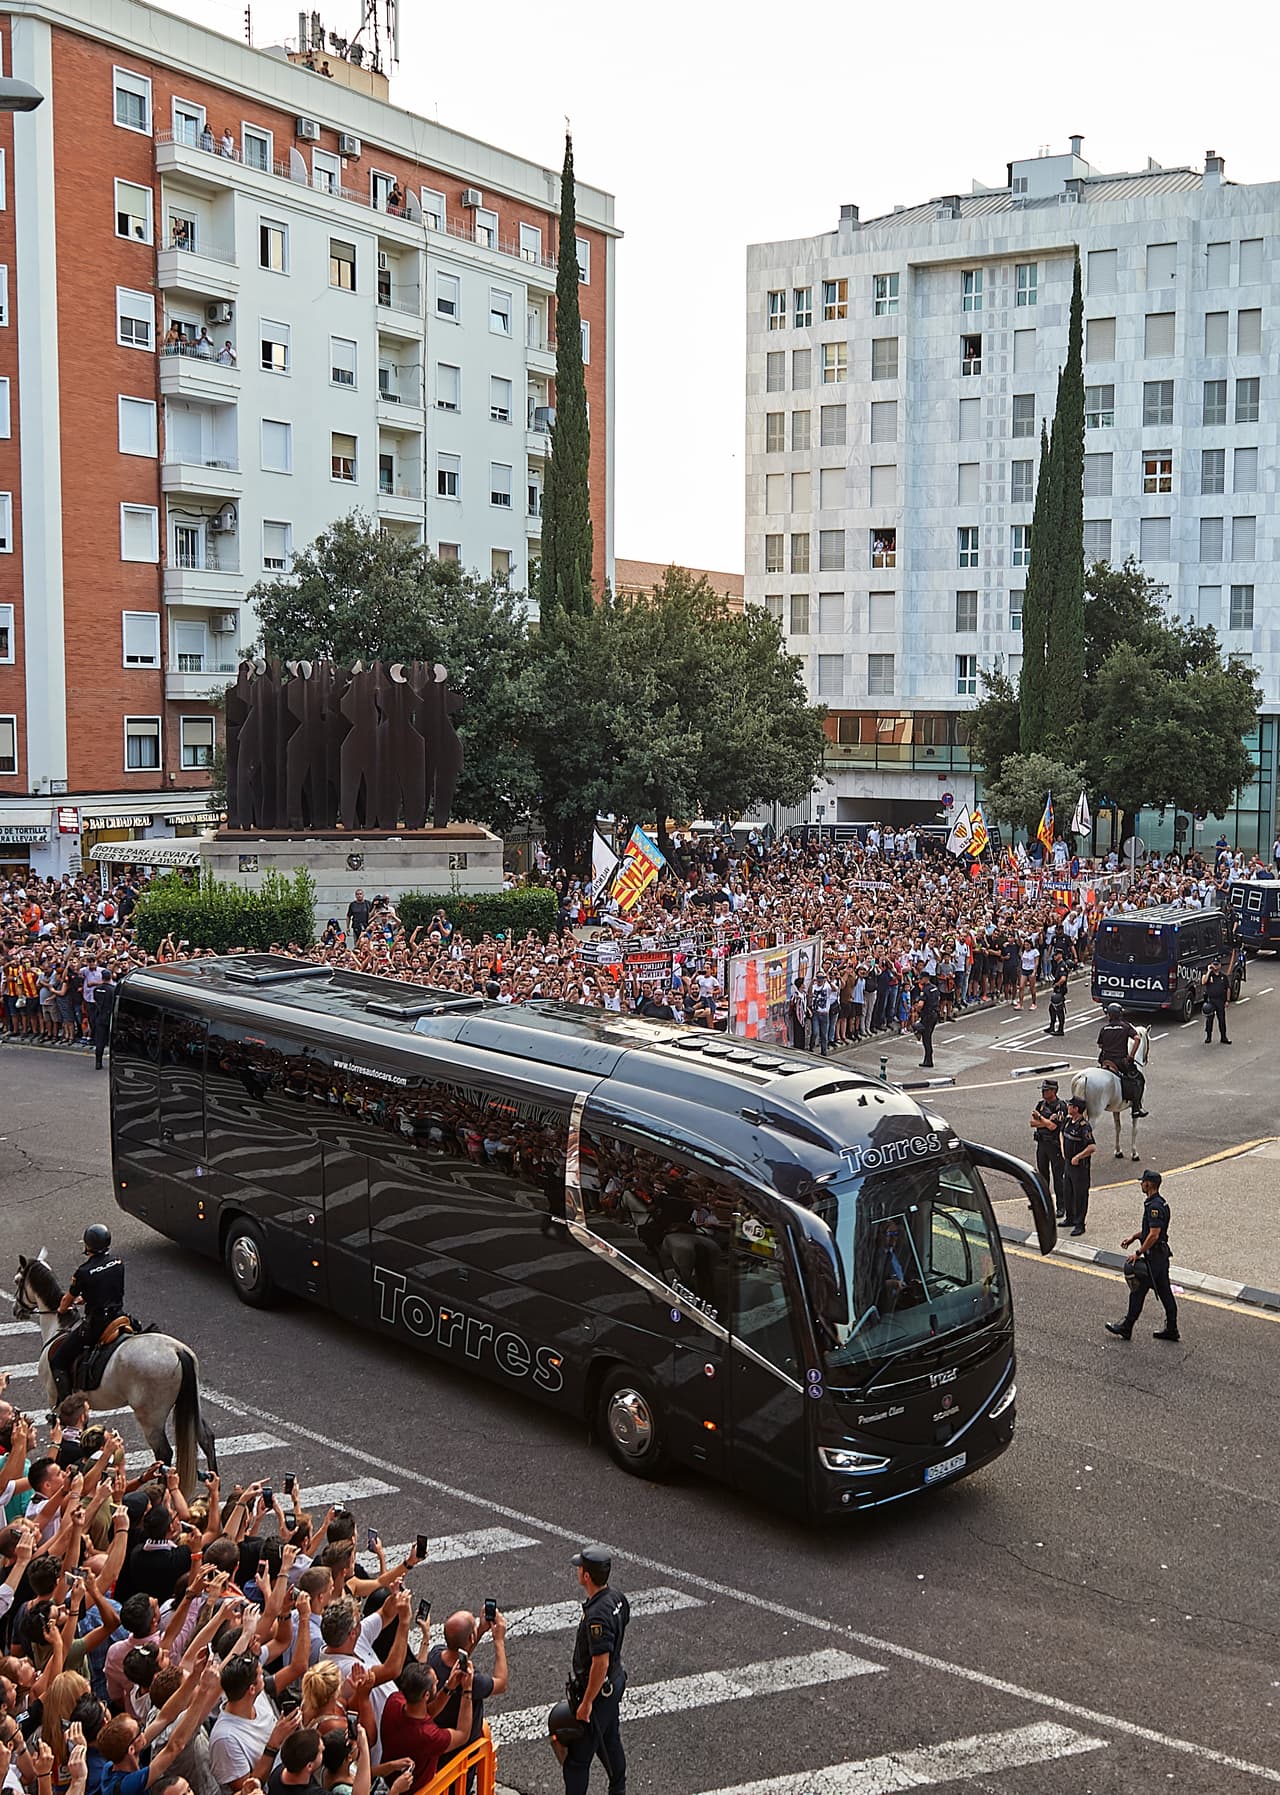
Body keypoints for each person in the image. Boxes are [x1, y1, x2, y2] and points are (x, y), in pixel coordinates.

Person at [550, 1548, 628, 1795]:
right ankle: (619, 1788)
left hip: (599, 1691)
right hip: (614, 1682)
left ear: (586, 1576)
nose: (577, 1570)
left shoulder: (597, 1616)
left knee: (578, 1760)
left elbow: (600, 1663)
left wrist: (586, 1703)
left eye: (580, 1567)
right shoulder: (617, 1598)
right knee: (609, 1739)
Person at [48, 1226, 126, 1402]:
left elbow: (67, 1300)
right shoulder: (118, 1262)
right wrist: (87, 1297)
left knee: (58, 1361)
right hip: (118, 1316)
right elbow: (107, 1287)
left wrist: (62, 1309)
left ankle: (65, 1404)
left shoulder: (83, 1272)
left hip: (97, 1324)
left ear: (88, 1244)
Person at [1106, 1170, 1179, 1341]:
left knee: (1138, 1290)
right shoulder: (1158, 1203)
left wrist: (1138, 1253)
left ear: (1149, 1184)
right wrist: (1134, 1237)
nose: (1141, 1184)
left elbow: (1154, 1234)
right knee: (1164, 1292)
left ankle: (1127, 1327)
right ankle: (1172, 1328)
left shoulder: (1154, 1207)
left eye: (1143, 1182)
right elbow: (1149, 1231)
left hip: (1155, 1257)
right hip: (1160, 1256)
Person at [1096, 1003, 1148, 1118]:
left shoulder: (1104, 1028)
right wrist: (1131, 1056)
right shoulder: (1125, 1026)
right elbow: (1137, 1038)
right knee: (1139, 1079)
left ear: (1109, 1015)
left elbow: (1100, 1045)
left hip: (1105, 1061)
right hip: (1120, 1062)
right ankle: (1136, 1108)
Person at [1029, 1079, 1067, 1222]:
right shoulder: (1041, 1104)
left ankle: (1061, 1206)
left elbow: (1053, 1127)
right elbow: (1032, 1123)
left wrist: (1041, 1120)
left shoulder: (1060, 1106)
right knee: (1042, 1175)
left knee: (1058, 1177)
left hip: (1054, 1146)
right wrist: (1045, 1120)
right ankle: (1043, 1203)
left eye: (1046, 1090)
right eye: (1043, 1090)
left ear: (1054, 1091)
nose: (1043, 1092)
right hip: (1042, 1144)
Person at [1060, 1097, 1095, 1237]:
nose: (1068, 1107)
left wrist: (1078, 1157)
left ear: (1076, 1109)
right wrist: (1063, 1150)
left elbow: (1092, 1147)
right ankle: (1070, 1218)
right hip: (1068, 1164)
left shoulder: (1084, 1126)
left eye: (1071, 1105)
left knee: (1080, 1195)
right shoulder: (1068, 1121)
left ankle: (1080, 1223)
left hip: (1080, 1167)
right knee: (1067, 1191)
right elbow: (1061, 1134)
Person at [91, 969, 118, 1070]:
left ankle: (98, 1062)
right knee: (112, 1042)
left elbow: (96, 1001)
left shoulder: (96, 989)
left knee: (100, 1041)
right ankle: (112, 1063)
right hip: (109, 1018)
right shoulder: (113, 990)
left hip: (100, 1017)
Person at [1201, 958, 1231, 1044]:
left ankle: (1223, 1037)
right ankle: (1208, 1036)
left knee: (1221, 1019)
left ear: (1220, 965)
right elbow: (1203, 982)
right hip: (1211, 1000)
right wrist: (1208, 971)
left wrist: (1227, 1000)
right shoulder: (1209, 975)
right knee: (1209, 1019)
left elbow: (1228, 988)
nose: (1215, 966)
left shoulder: (1223, 976)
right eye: (1214, 964)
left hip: (1220, 1000)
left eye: (1217, 964)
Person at [913, 974, 940, 1069]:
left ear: (926, 979)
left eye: (921, 978)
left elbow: (920, 1004)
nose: (920, 980)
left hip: (927, 1015)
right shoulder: (935, 988)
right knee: (928, 1035)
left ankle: (928, 1060)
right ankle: (928, 1059)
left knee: (926, 1038)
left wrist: (918, 1011)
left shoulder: (925, 990)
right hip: (935, 1014)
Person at [1045, 965, 1068, 1037]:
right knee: (1052, 1009)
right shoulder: (1057, 965)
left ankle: (1060, 1029)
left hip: (1060, 990)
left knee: (1059, 1010)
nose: (1054, 956)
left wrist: (1057, 984)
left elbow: (1063, 978)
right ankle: (1052, 1026)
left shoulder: (1062, 966)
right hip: (1058, 991)